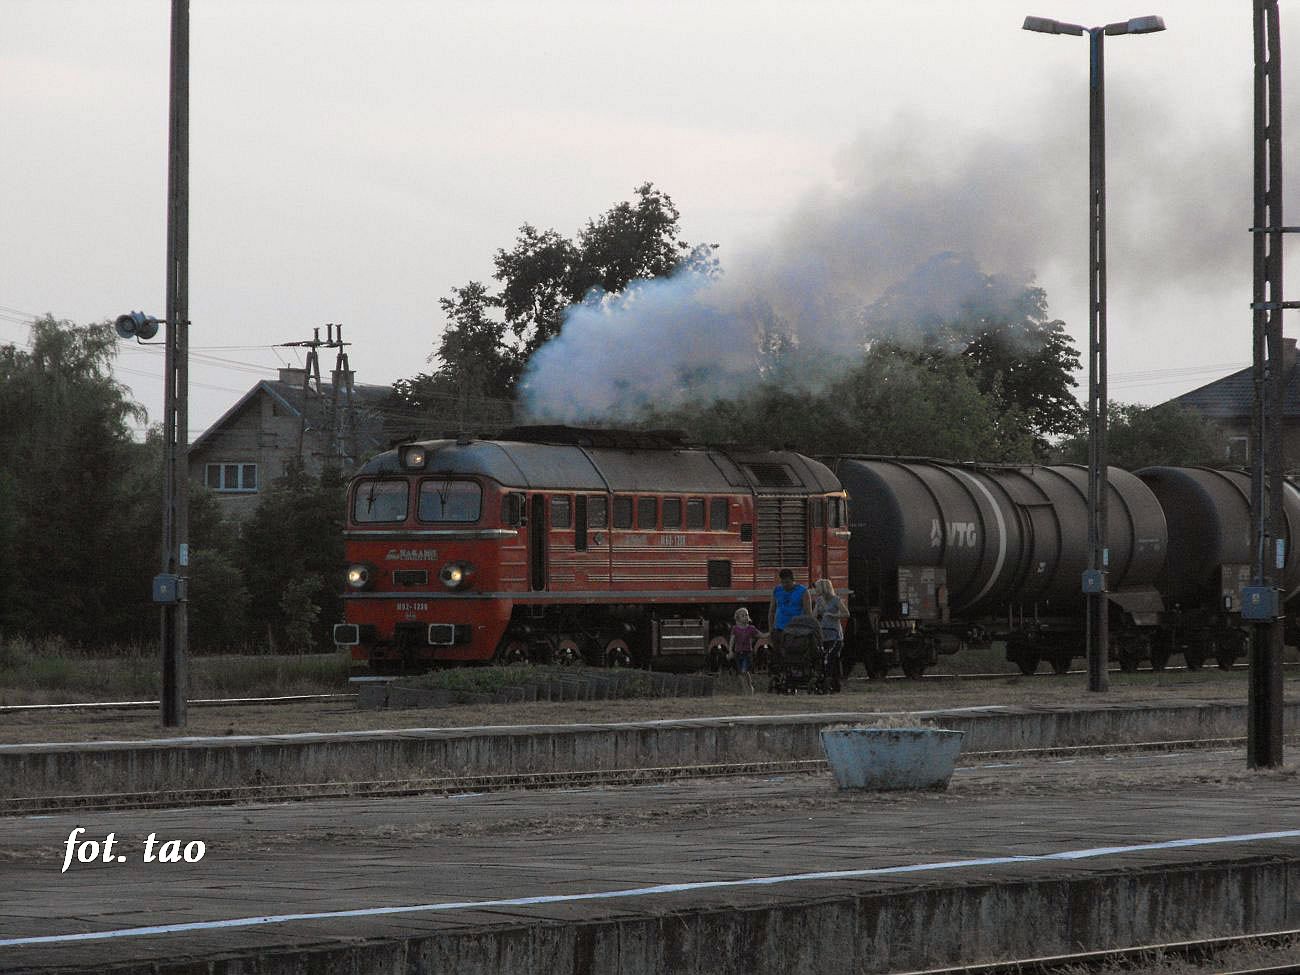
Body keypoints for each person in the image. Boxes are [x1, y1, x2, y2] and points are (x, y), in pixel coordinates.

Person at [813, 578, 850, 691]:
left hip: (835, 635)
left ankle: (833, 681)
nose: (816, 590)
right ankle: (827, 680)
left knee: (831, 657)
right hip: (824, 633)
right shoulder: (819, 600)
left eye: (818, 588)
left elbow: (846, 613)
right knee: (824, 657)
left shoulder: (836, 600)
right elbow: (814, 615)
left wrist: (833, 615)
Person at [768, 568, 812, 654]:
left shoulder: (803, 591)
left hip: (795, 629)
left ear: (793, 580)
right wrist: (771, 629)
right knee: (778, 655)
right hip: (779, 629)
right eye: (782, 582)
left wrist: (806, 629)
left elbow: (808, 613)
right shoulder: (777, 590)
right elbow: (772, 611)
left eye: (787, 582)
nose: (784, 585)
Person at [727, 607, 761, 694]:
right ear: (738, 618)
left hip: (747, 652)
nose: (746, 617)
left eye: (747, 615)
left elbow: (760, 635)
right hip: (738, 652)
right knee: (740, 673)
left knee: (744, 671)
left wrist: (769, 634)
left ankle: (749, 686)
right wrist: (730, 651)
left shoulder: (751, 628)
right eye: (743, 615)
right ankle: (745, 689)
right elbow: (732, 640)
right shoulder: (735, 629)